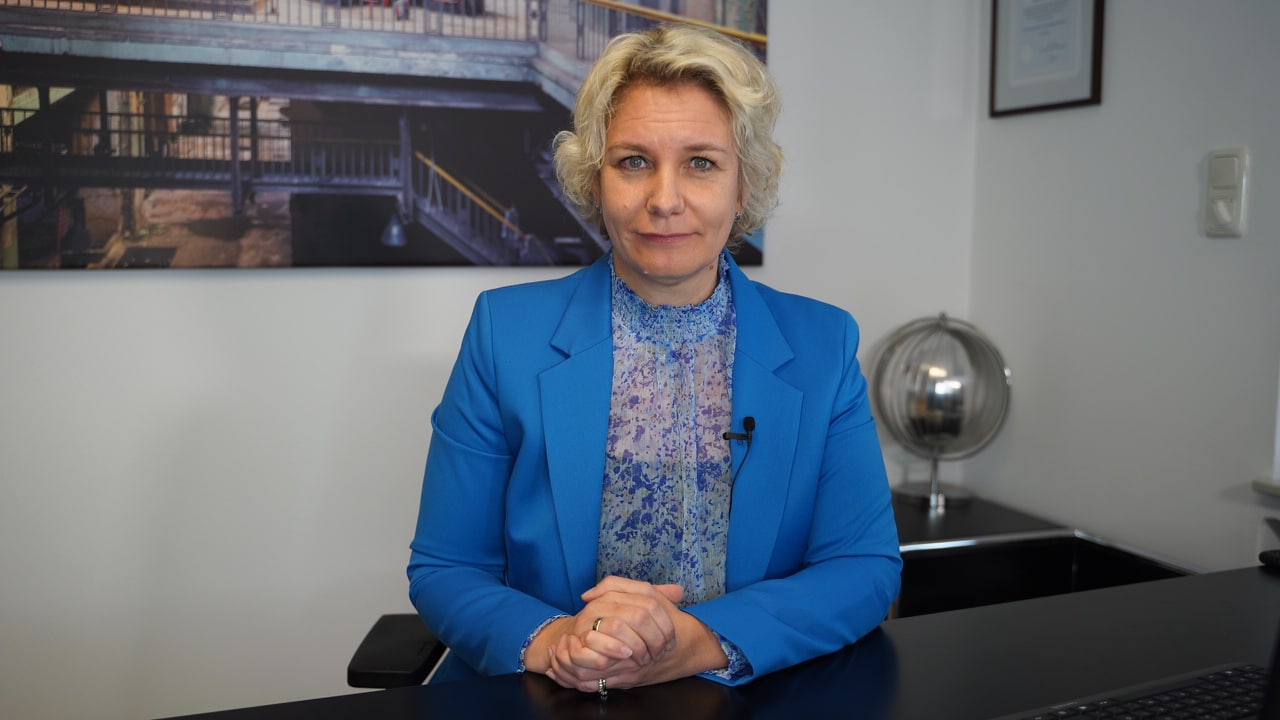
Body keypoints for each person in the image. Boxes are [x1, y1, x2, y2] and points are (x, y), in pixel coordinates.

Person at [407, 23, 901, 695]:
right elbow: (446, 568)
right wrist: (561, 642)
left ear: (744, 186)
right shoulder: (505, 332)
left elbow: (864, 568)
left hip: (743, 694)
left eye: (701, 163)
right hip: (548, 693)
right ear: (596, 179)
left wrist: (695, 642)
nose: (664, 200)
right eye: (634, 161)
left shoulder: (825, 343)